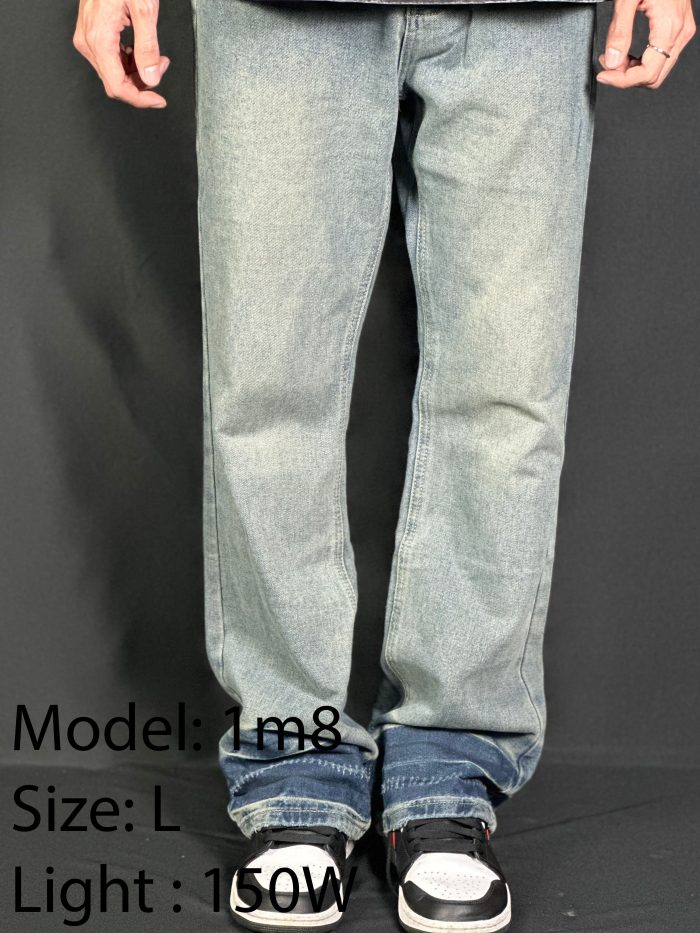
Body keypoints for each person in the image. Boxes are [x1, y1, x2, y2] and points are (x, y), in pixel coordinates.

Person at [72, 0, 695, 930]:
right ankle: (293, 769)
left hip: (530, 18)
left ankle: (450, 768)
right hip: (277, 14)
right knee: (270, 387)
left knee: (507, 394)